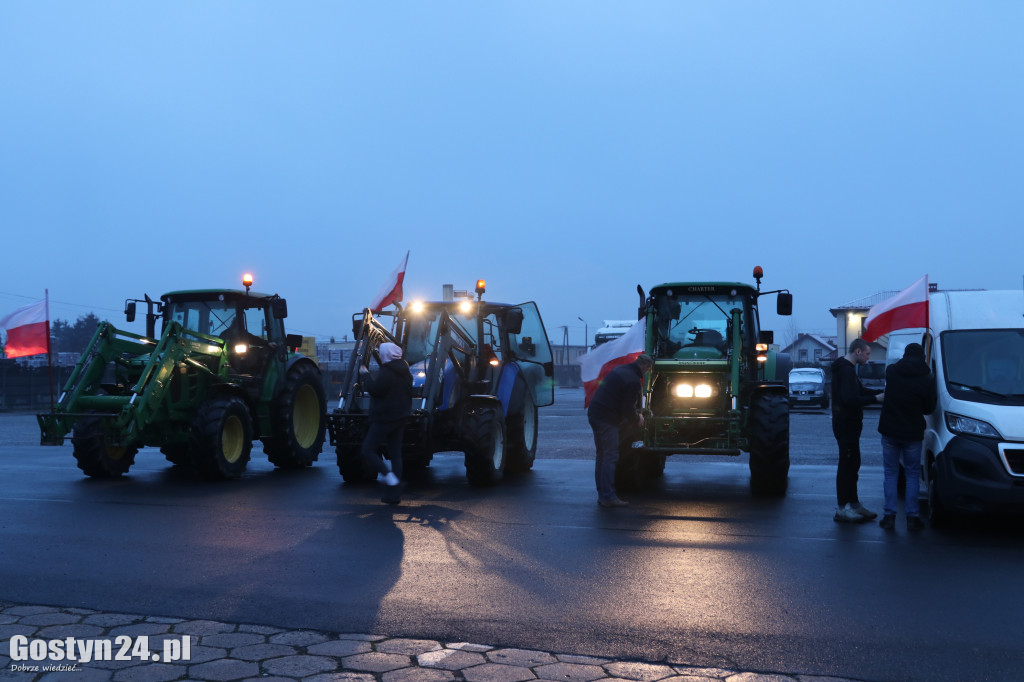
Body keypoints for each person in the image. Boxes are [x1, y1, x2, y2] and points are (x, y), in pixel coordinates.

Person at [877, 343, 937, 531]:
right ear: (922, 357)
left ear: (905, 355)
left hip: (890, 431)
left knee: (891, 473)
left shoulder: (892, 372)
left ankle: (889, 516)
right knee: (912, 475)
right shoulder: (926, 378)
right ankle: (912, 517)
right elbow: (928, 408)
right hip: (912, 433)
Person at [587, 354, 654, 507]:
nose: (646, 373)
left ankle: (603, 494)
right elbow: (627, 408)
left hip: (595, 414)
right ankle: (608, 497)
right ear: (645, 367)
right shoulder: (632, 381)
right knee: (610, 456)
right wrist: (638, 419)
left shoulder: (621, 370)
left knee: (602, 456)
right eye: (648, 370)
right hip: (606, 419)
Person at [831, 338, 884, 523]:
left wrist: (878, 394)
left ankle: (853, 504)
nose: (869, 358)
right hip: (846, 425)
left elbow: (859, 391)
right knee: (847, 465)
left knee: (853, 464)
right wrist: (876, 399)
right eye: (868, 353)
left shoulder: (847, 369)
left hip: (849, 425)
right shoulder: (846, 370)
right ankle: (842, 509)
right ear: (858, 352)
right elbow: (850, 398)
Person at [359, 342, 413, 504]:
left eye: (381, 352)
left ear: (386, 355)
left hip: (383, 418)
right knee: (395, 453)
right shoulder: (406, 371)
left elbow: (375, 390)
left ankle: (390, 478)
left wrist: (365, 375)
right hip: (400, 417)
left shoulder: (386, 372)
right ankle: (393, 495)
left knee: (368, 450)